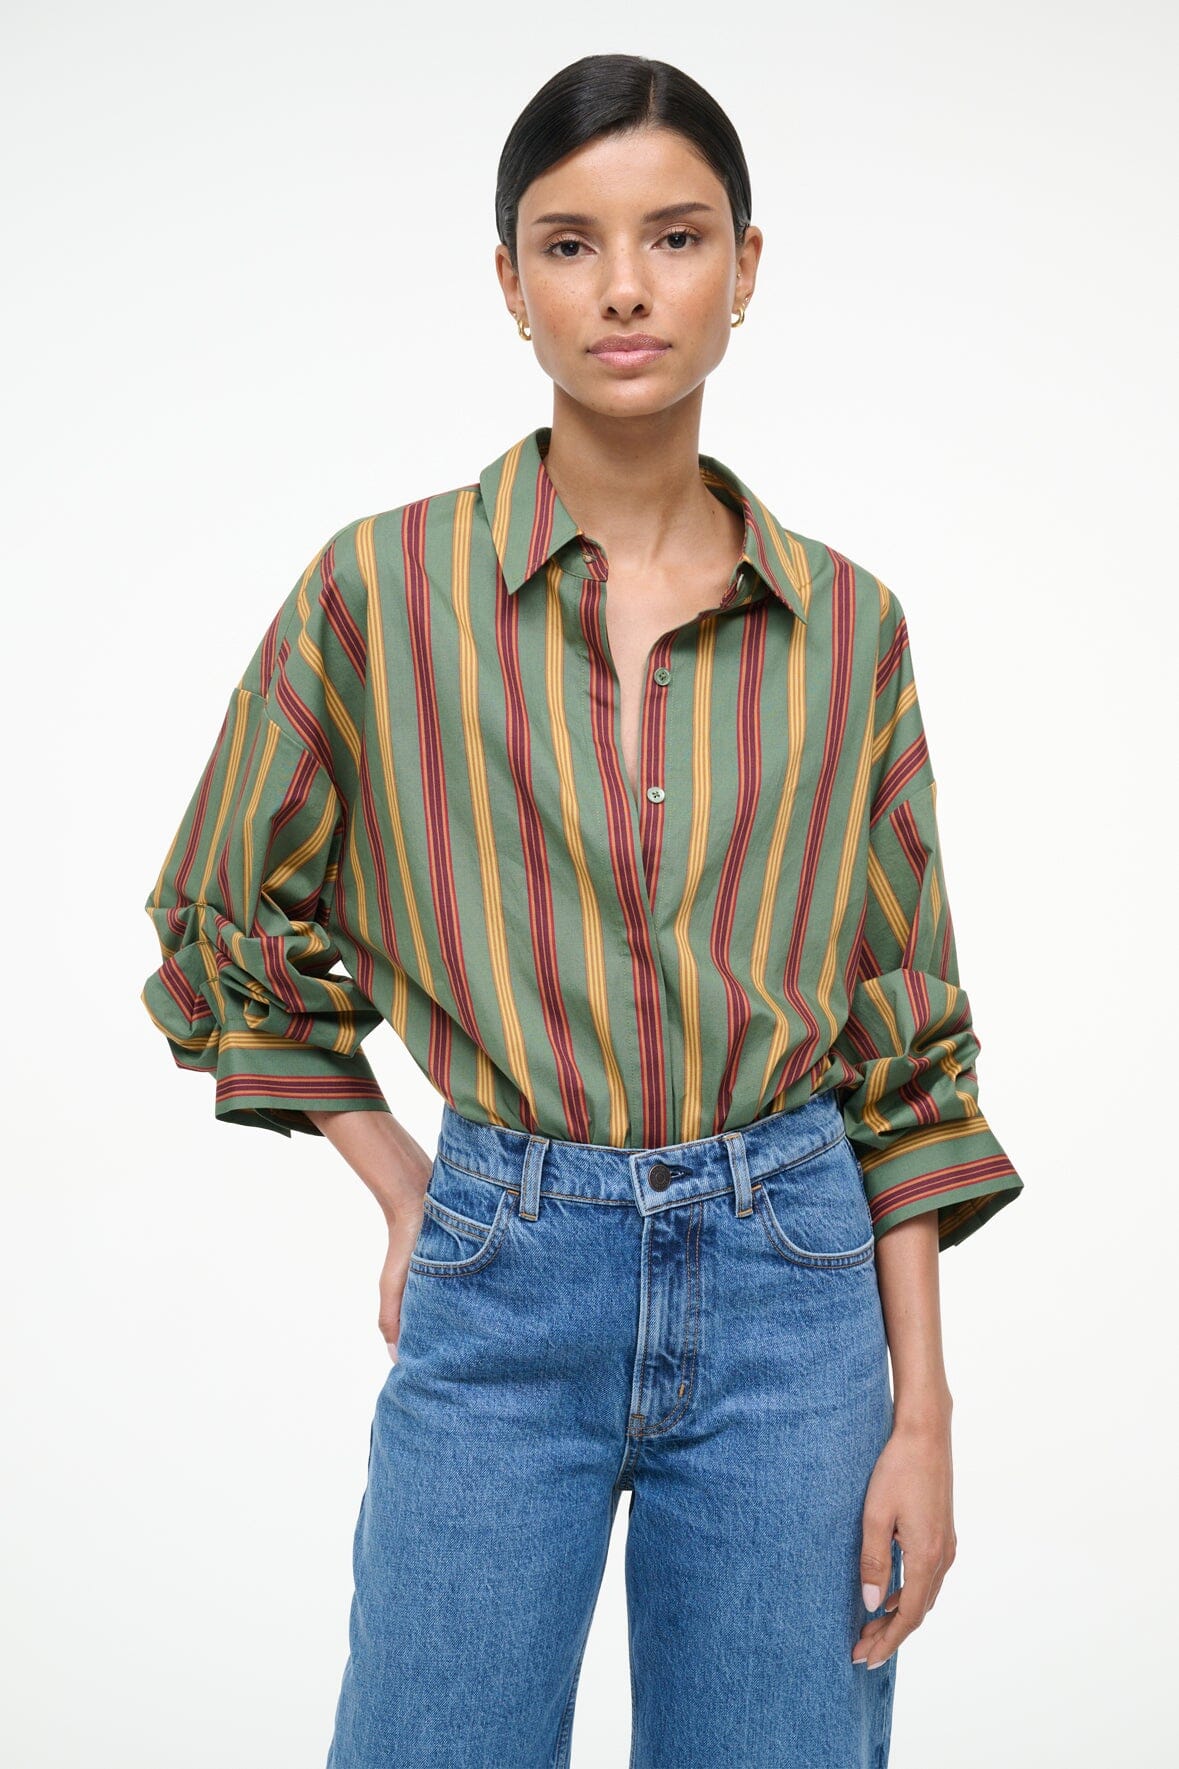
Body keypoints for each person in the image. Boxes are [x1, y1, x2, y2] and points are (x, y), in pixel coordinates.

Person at [139, 52, 1024, 1769]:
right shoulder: (379, 593)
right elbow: (219, 912)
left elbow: (905, 1043)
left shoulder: (851, 629)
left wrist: (922, 1408)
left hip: (794, 1293)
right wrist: (408, 1179)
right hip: (504, 1274)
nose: (625, 286)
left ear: (745, 269)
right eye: (570, 243)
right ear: (510, 282)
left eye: (675, 237)